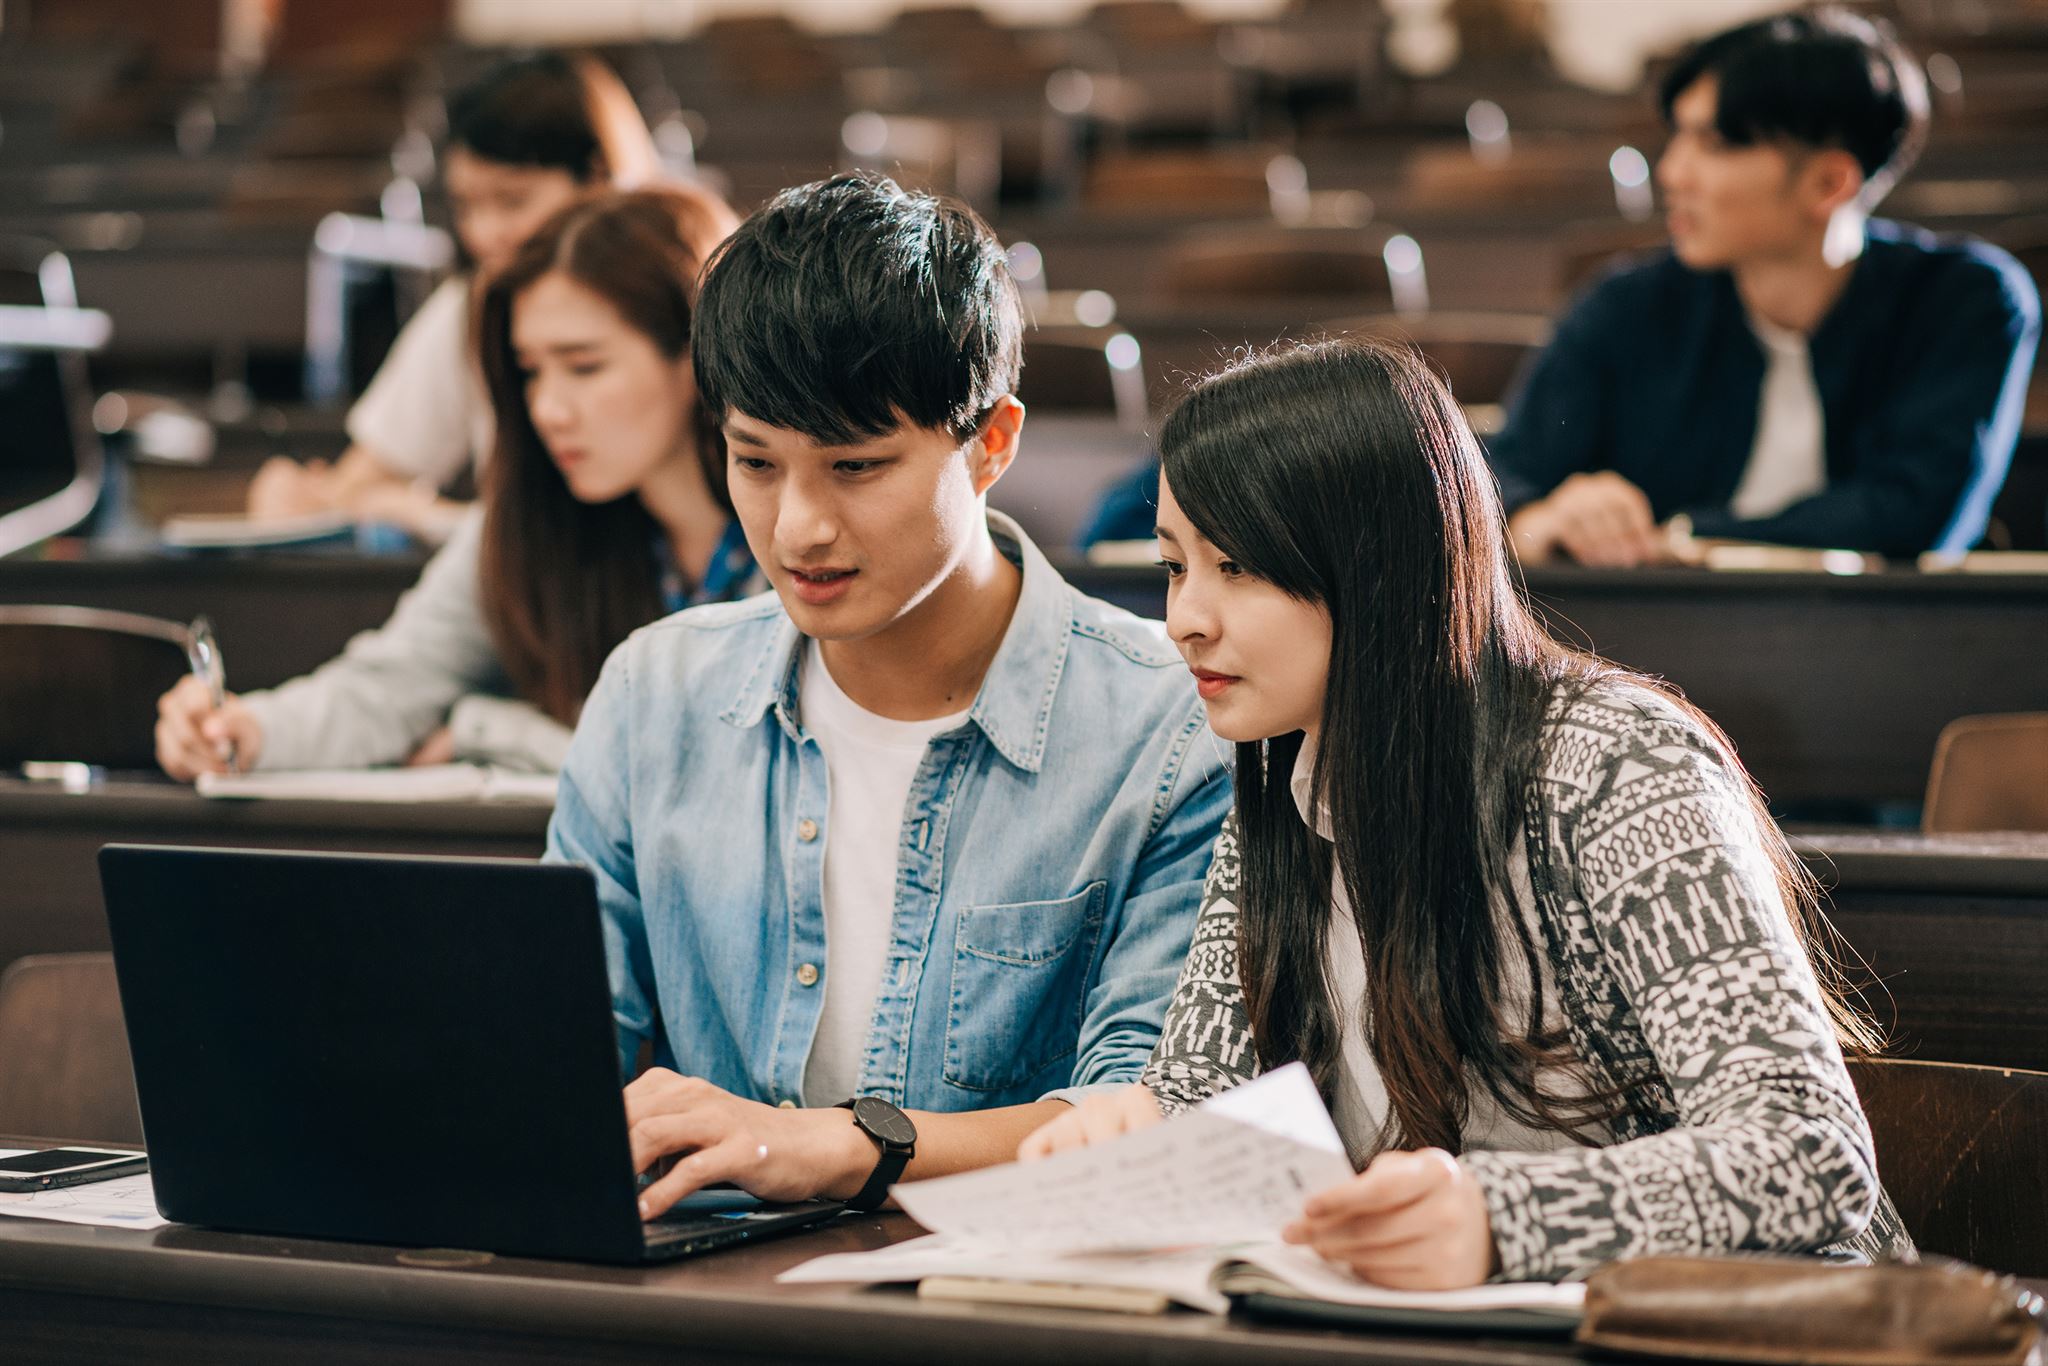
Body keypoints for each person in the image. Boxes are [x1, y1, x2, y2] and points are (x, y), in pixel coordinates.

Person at [1020, 337, 1911, 1288]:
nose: (1185, 618)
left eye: (1236, 566)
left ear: (1376, 564)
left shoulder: (1621, 768)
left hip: (1721, 1327)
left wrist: (1499, 1221)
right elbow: (1206, 1091)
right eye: (1173, 565)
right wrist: (1136, 1127)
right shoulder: (1283, 775)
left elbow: (1811, 1155)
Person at [546, 173, 1230, 1220]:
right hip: (701, 1296)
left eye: (855, 467)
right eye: (755, 462)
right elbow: (554, 1054)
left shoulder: (1171, 731)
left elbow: (1141, 1113)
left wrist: (836, 1145)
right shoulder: (656, 692)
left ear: (992, 441)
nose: (796, 529)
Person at [154, 185, 752, 780]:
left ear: (695, 354)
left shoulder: (795, 526)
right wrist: (244, 729)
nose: (547, 408)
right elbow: (391, 686)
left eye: (584, 366)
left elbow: (719, 771)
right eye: (530, 372)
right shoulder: (527, 523)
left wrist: (482, 729)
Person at [1490, 9, 2039, 564]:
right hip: (1641, 643)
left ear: (1829, 183)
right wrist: (1544, 518)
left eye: (1715, 145)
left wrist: (1677, 538)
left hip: (1882, 640)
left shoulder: (1966, 299)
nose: (1673, 172)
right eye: (1677, 137)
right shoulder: (1627, 303)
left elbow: (1912, 515)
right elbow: (1500, 478)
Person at [247, 52, 663, 544]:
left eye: (513, 201)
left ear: (598, 178)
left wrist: (424, 517)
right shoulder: (471, 305)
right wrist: (309, 504)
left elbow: (599, 541)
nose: (484, 235)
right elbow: (363, 484)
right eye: (467, 206)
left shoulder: (668, 300)